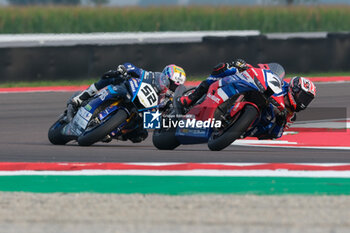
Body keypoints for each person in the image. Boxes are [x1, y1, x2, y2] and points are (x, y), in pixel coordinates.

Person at [178, 59, 316, 140]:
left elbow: (276, 135)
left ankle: (233, 127)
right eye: (303, 96)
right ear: (295, 89)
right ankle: (190, 99)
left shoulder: (290, 116)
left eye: (307, 99)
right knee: (226, 68)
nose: (304, 102)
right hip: (254, 90)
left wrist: (280, 121)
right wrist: (244, 66)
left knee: (265, 128)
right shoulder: (282, 85)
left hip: (254, 122)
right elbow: (265, 71)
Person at [70, 63, 186, 143]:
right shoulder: (152, 76)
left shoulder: (171, 99)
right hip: (131, 92)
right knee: (112, 76)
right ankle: (82, 97)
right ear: (165, 76)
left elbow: (160, 119)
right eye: (171, 83)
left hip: (144, 110)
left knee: (141, 135)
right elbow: (135, 69)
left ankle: (113, 133)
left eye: (176, 87)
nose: (172, 87)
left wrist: (166, 115)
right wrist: (125, 68)